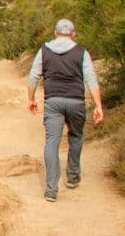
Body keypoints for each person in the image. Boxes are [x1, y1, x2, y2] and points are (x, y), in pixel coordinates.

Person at [27, 19, 104, 202]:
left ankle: (51, 190)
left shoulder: (44, 51)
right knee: (76, 136)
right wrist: (98, 105)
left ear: (55, 33)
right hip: (76, 101)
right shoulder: (81, 52)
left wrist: (31, 99)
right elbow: (91, 79)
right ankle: (73, 176)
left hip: (53, 101)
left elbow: (33, 75)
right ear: (73, 34)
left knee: (52, 141)